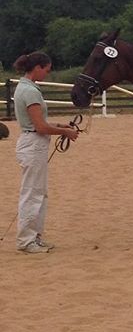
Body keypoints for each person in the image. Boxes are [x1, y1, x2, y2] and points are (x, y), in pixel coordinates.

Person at [13, 52, 78, 253]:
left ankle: (34, 236)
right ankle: (26, 240)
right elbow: (40, 127)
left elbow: (38, 123)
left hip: (33, 141)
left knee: (38, 192)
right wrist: (65, 131)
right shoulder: (30, 92)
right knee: (32, 193)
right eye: (46, 70)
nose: (47, 74)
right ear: (38, 68)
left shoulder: (27, 88)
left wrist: (59, 125)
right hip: (34, 143)